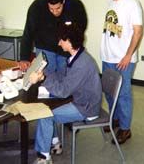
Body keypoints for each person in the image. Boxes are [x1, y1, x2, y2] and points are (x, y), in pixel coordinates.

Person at [29, 22, 102, 164]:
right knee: (48, 105)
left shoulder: (82, 63)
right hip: (80, 100)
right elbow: (61, 77)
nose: (58, 43)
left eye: (61, 40)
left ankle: (44, 158)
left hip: (86, 108)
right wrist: (43, 70)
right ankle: (54, 143)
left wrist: (43, 78)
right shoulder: (76, 56)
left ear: (69, 41)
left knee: (45, 114)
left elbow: (63, 91)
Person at [98, 0, 143, 144]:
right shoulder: (110, 2)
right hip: (107, 57)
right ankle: (114, 119)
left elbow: (138, 32)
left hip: (123, 59)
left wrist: (128, 55)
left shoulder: (132, 3)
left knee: (123, 95)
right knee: (109, 93)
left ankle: (125, 129)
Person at [19, 0, 87, 72]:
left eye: (58, 8)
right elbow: (29, 32)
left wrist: (75, 51)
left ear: (63, 1)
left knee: (65, 78)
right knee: (46, 78)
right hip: (45, 48)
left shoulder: (75, 6)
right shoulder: (37, 7)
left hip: (66, 50)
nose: (55, 12)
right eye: (51, 9)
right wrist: (24, 57)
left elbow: (80, 31)